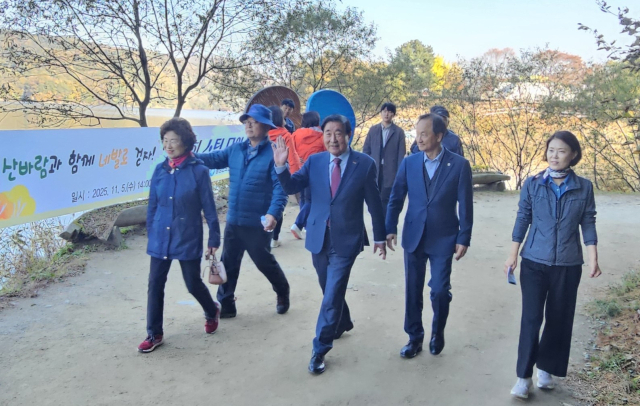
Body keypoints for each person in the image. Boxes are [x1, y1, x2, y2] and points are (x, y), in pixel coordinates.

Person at [272, 114, 387, 375]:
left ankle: (320, 348)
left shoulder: (364, 164)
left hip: (347, 239)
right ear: (322, 136)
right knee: (328, 289)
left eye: (338, 133)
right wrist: (281, 166)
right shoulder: (315, 161)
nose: (333, 138)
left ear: (348, 135)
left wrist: (380, 236)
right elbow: (291, 185)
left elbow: (374, 203)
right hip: (318, 236)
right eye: (328, 133)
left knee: (332, 293)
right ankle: (343, 321)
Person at [505, 131, 602, 399]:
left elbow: (588, 222)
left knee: (559, 318)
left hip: (568, 263)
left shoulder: (584, 187)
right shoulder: (533, 183)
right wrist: (513, 255)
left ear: (573, 154)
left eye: (561, 151)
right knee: (531, 318)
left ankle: (546, 369)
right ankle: (523, 377)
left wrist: (593, 257)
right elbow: (523, 218)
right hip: (534, 261)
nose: (554, 155)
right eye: (551, 150)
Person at [386, 113, 473, 360]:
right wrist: (390, 227)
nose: (419, 139)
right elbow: (396, 197)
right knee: (412, 289)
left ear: (439, 136)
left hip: (444, 236)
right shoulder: (410, 163)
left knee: (439, 290)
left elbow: (466, 205)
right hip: (414, 235)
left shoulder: (459, 165)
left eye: (424, 134)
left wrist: (464, 237)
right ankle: (414, 338)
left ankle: (438, 331)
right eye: (417, 134)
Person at [195, 104, 291, 319]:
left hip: (257, 223)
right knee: (228, 263)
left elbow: (281, 188)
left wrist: (273, 214)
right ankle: (226, 304)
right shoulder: (236, 150)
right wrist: (189, 155)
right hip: (234, 220)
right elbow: (212, 159)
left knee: (264, 262)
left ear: (266, 127)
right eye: (247, 121)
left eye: (254, 122)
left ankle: (282, 291)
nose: (248, 125)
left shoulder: (274, 154)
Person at [139, 117, 222, 353]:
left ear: (185, 142)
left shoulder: (199, 171)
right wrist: (152, 231)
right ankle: (154, 333)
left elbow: (209, 208)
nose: (168, 145)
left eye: (173, 140)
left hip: (187, 235)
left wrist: (213, 238)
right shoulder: (160, 170)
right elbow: (153, 205)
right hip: (160, 237)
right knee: (155, 284)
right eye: (165, 140)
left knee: (192, 283)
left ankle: (211, 309)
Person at [267, 105, 302, 248]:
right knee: (277, 205)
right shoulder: (285, 135)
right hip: (280, 174)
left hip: (263, 176)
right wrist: (295, 179)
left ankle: (264, 235)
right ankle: (274, 238)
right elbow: (292, 157)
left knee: (265, 205)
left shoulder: (262, 134)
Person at [362, 102, 406, 214]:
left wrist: (399, 174)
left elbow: (401, 155)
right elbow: (366, 150)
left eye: (390, 112)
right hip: (375, 169)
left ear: (393, 115)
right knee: (374, 198)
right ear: (381, 113)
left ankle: (386, 222)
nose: (387, 114)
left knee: (386, 199)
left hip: (390, 171)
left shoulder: (399, 132)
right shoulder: (373, 130)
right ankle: (377, 220)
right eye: (384, 111)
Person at [290, 111, 325, 239]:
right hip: (316, 171)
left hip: (300, 170)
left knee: (303, 199)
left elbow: (292, 151)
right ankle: (298, 224)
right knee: (313, 200)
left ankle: (305, 225)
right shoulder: (322, 136)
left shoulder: (295, 134)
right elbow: (326, 153)